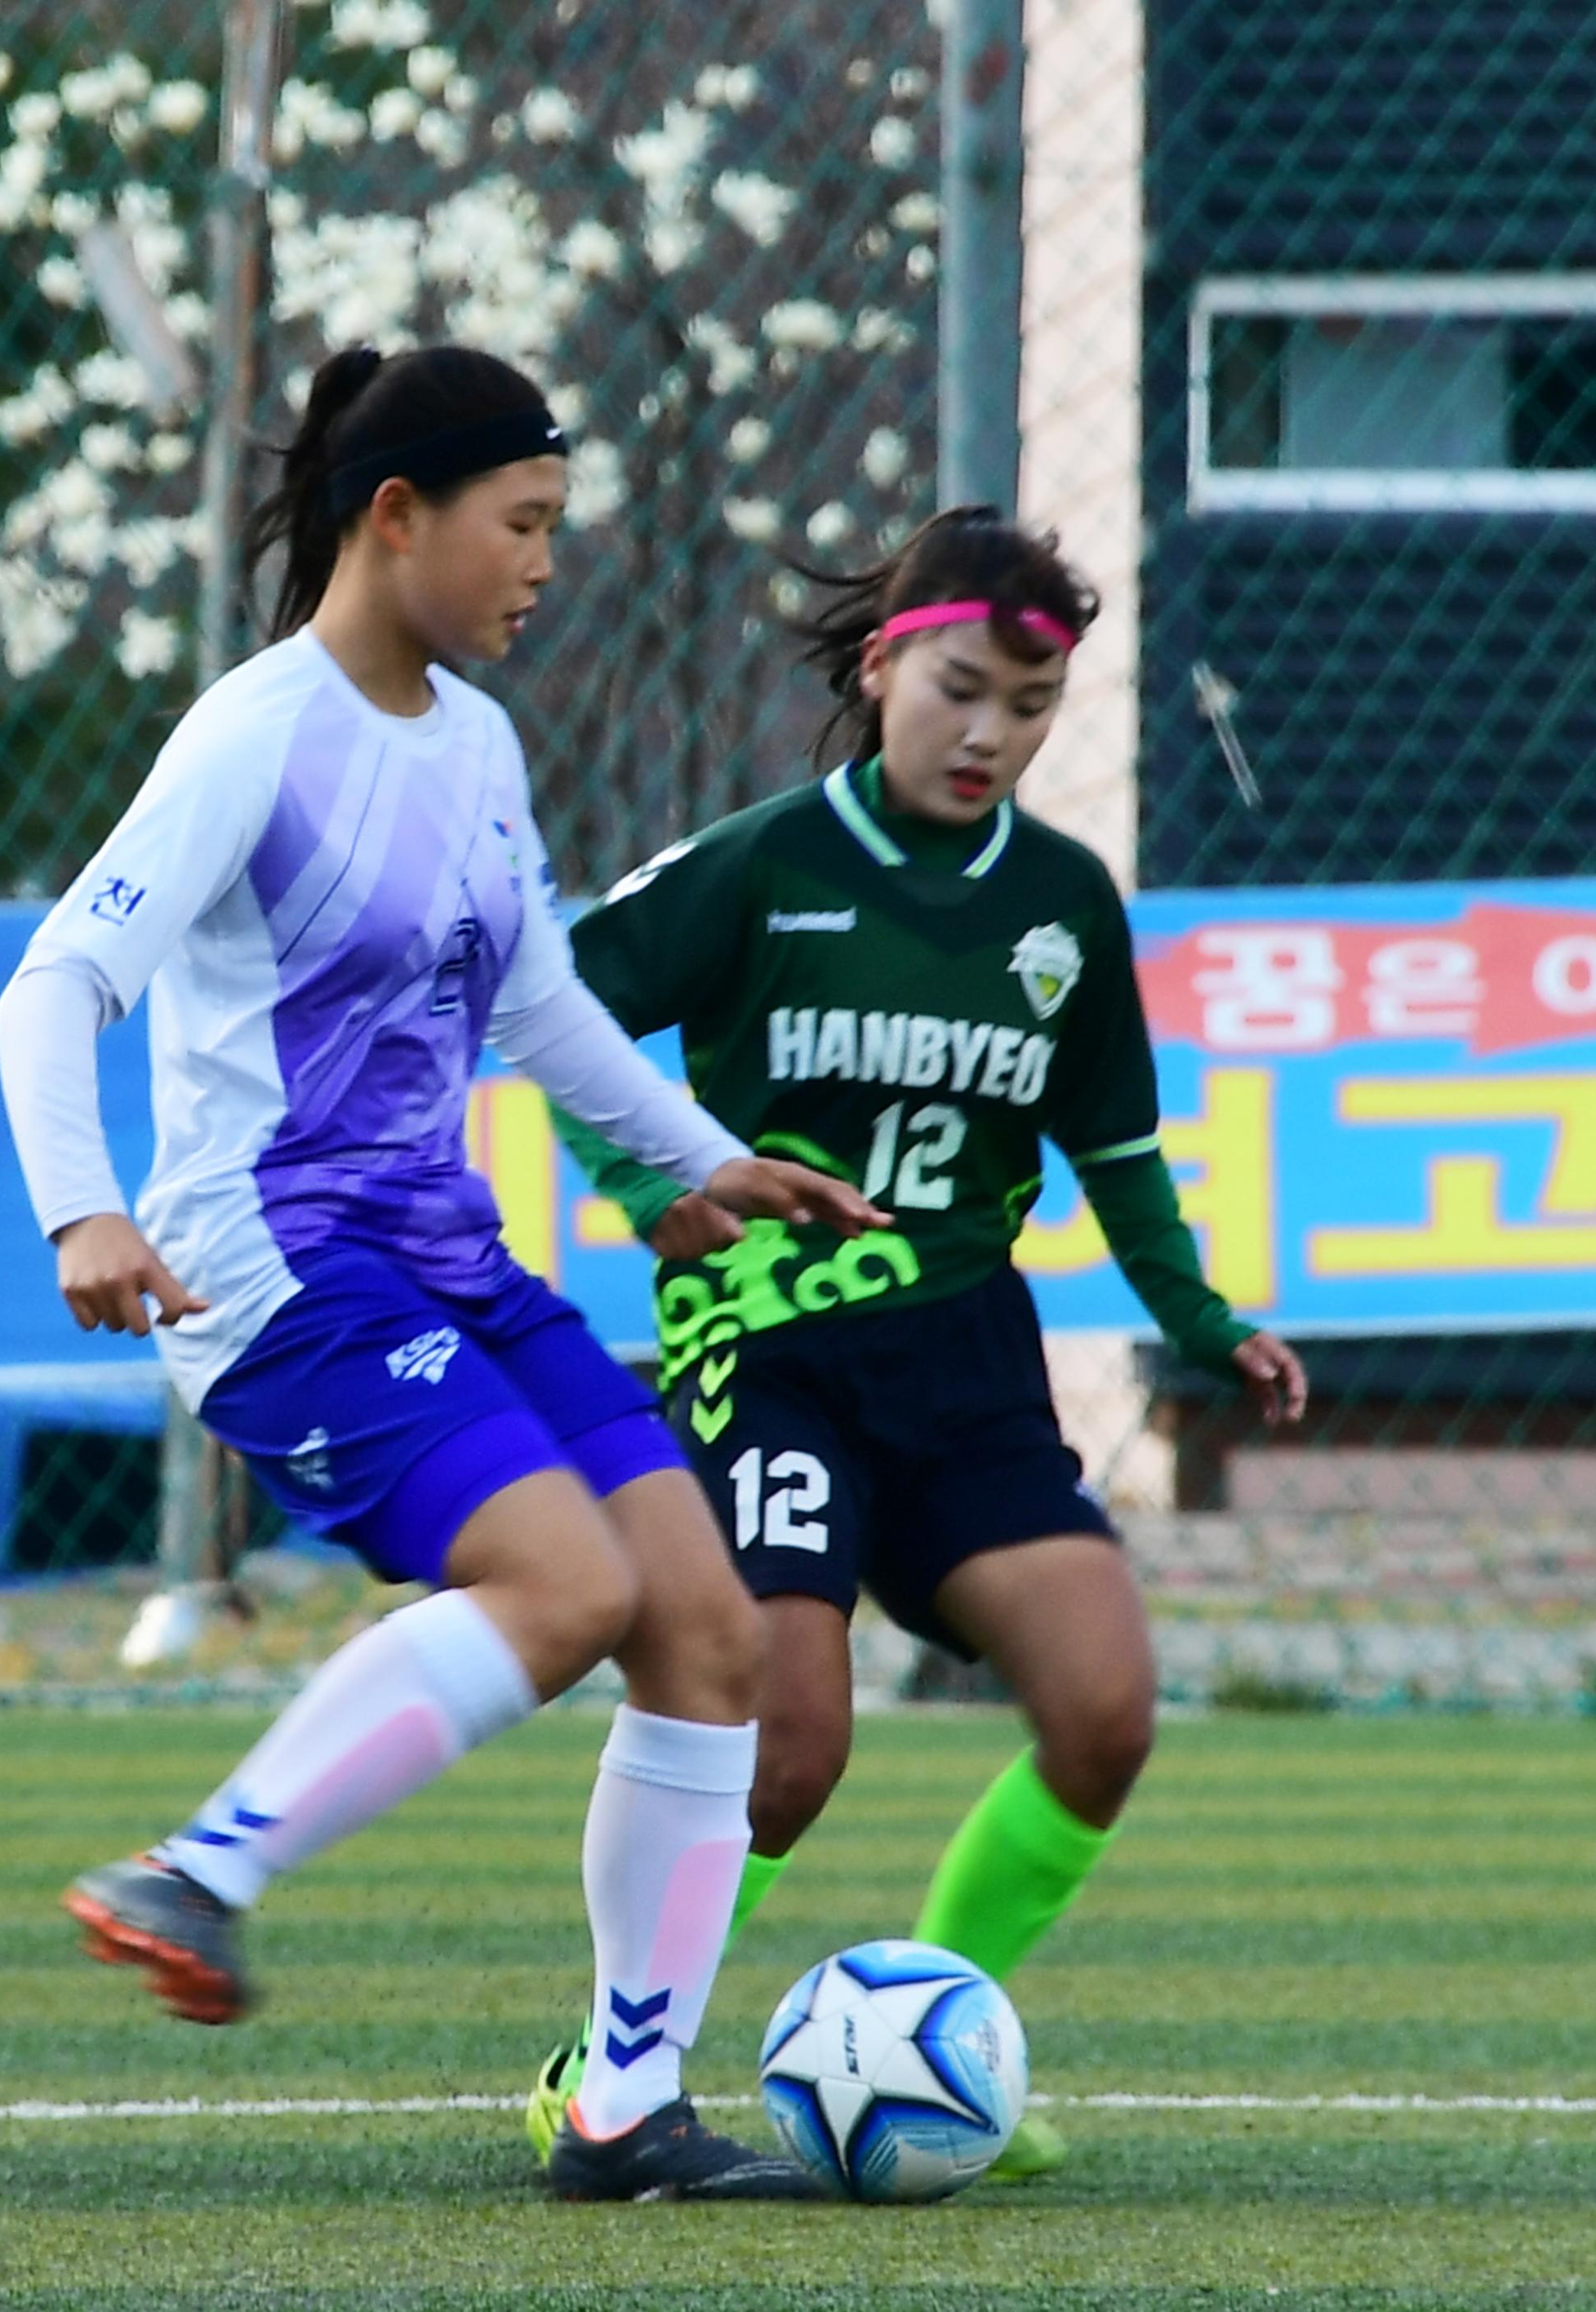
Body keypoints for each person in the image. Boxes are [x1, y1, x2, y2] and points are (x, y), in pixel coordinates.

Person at [0, 344, 887, 2200]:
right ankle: (196, 1871)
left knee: (703, 1627)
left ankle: (624, 2109)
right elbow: (54, 983)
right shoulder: (256, 731)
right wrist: (85, 1209)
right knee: (560, 1583)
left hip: (444, 1260)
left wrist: (697, 1159)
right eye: (523, 525)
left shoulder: (474, 741)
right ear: (393, 519)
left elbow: (537, 998)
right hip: (280, 1269)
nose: (546, 565)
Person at [518, 508, 1309, 2178]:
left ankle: (939, 2045)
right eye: (960, 690)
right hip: (769, 1344)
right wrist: (641, 1179)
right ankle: (608, 2069)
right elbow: (556, 999)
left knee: (1103, 1712)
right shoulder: (764, 865)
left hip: (965, 1362)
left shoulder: (1061, 906)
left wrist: (1202, 1325)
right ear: (883, 670)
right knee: (788, 1748)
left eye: (1030, 708)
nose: (990, 735)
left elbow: (1113, 1156)